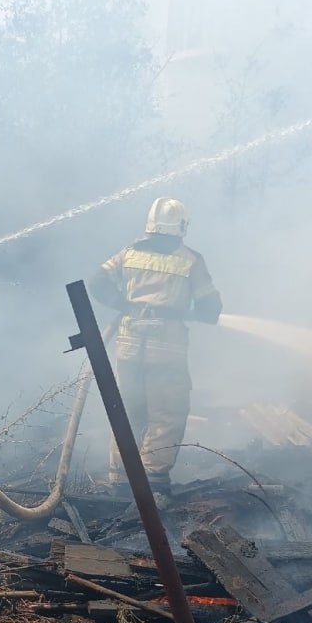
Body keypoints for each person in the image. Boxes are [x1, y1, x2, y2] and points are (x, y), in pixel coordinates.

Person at [88, 197, 222, 495]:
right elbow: (210, 304)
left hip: (129, 345)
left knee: (129, 410)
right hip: (167, 350)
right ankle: (152, 480)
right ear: (182, 226)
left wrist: (124, 304)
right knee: (166, 413)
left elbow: (96, 282)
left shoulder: (129, 254)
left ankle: (120, 478)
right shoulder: (189, 260)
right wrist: (198, 313)